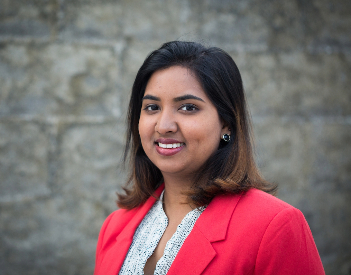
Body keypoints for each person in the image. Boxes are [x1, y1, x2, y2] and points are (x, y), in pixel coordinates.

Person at [94, 41, 325, 275]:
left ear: (226, 123)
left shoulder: (274, 226)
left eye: (187, 108)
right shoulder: (115, 227)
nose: (163, 126)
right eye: (152, 107)